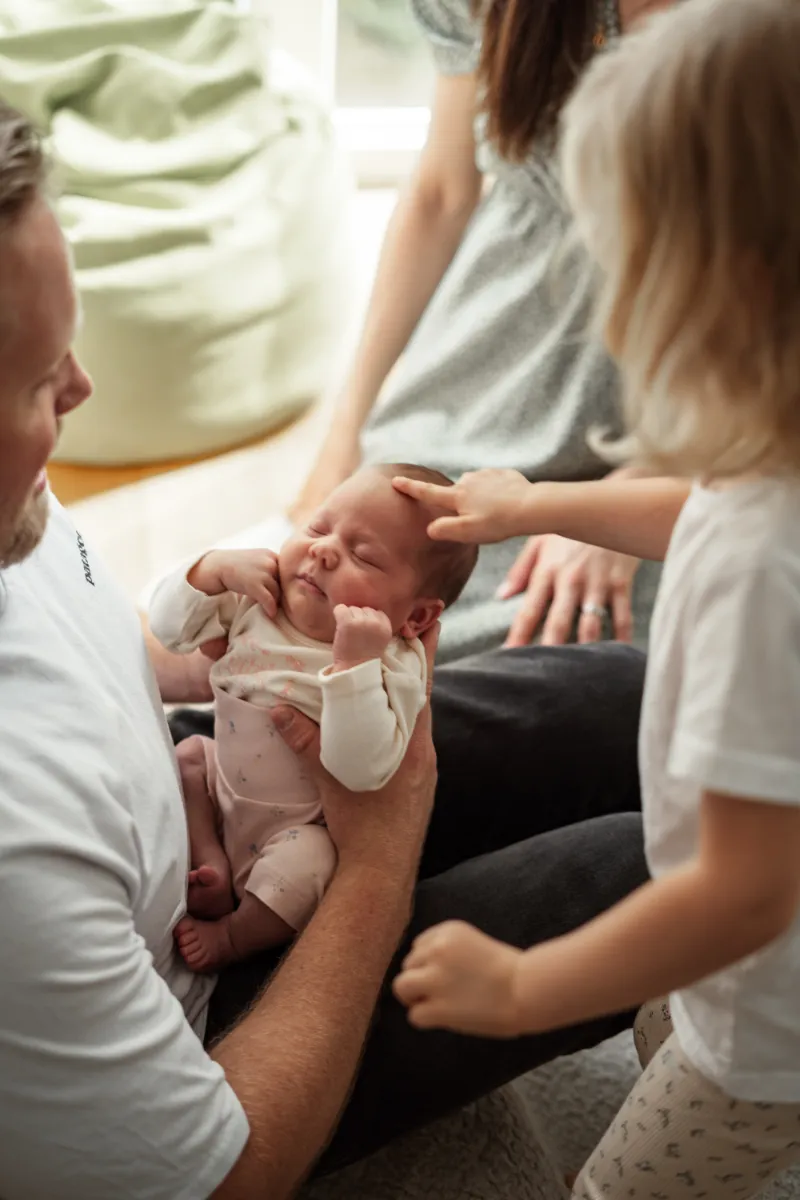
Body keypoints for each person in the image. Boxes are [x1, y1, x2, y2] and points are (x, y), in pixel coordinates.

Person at [0, 96, 651, 1199]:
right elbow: (226, 1172)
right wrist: (382, 850)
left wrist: (209, 637)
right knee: (662, 864)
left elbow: (126, 624)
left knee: (649, 701)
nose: (82, 391)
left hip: (232, 757)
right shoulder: (19, 849)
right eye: (34, 382)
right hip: (228, 1012)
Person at [394, 2, 800, 1196]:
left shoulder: (749, 584)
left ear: (703, 290)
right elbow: (697, 507)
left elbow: (742, 892)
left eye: (611, 256)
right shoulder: (766, 466)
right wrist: (539, 507)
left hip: (761, 1034)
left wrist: (527, 988)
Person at [290, 0, 674, 663]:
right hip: (482, 373)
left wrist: (626, 498)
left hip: (690, 424)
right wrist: (344, 431)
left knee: (522, 654)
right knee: (303, 612)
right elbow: (440, 192)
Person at [148, 464, 477, 972]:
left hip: (292, 830)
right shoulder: (261, 599)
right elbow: (170, 631)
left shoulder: (391, 664)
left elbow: (362, 768)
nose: (323, 551)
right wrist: (208, 571)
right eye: (319, 528)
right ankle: (209, 855)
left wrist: (355, 666)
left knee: (312, 866)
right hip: (222, 785)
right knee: (188, 757)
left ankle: (235, 935)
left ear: (414, 618)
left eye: (363, 556)